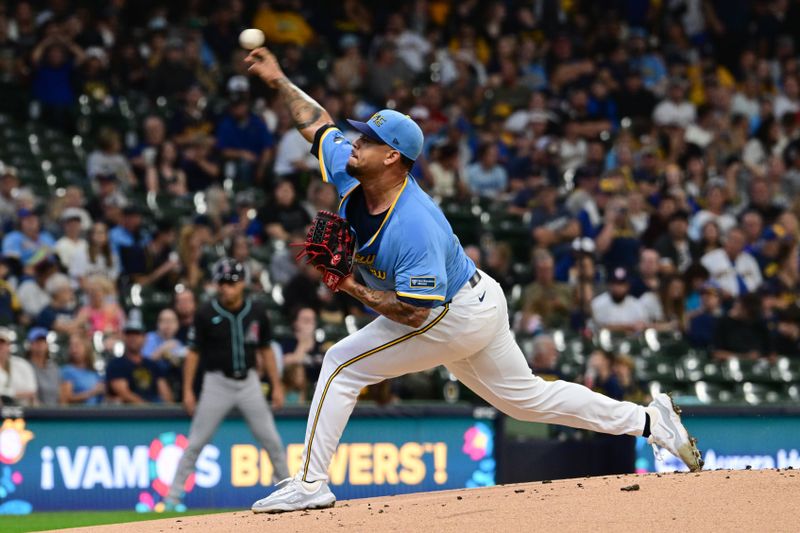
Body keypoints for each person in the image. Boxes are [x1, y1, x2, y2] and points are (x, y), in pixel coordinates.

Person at [246, 46, 702, 514]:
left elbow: (415, 311)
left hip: (450, 313)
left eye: (367, 140)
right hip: (477, 298)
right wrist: (278, 78)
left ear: (392, 158)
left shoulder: (414, 224)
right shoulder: (350, 168)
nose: (354, 142)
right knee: (528, 400)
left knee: (342, 364)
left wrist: (349, 286)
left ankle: (311, 482)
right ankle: (652, 422)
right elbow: (317, 122)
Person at [164, 259, 289, 510]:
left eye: (231, 282)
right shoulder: (206, 313)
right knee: (195, 443)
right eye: (221, 282)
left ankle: (288, 491)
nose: (225, 288)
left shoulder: (256, 311)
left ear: (242, 283)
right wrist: (188, 390)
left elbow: (266, 350)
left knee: (272, 441)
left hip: (250, 382)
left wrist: (276, 385)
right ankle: (171, 499)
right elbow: (193, 354)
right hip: (216, 383)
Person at [106, 319, 173, 404]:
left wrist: (166, 408)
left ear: (145, 338)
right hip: (129, 414)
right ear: (123, 337)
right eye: (129, 334)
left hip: (154, 412)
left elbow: (166, 394)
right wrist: (149, 409)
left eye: (137, 334)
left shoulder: (152, 365)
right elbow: (124, 393)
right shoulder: (116, 365)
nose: (133, 338)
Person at [60, 334, 104, 405]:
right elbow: (66, 399)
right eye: (71, 346)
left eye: (77, 346)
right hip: (78, 414)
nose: (73, 350)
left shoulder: (94, 373)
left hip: (95, 414)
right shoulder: (67, 371)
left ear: (86, 348)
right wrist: (92, 392)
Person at [0, 327, 37, 406]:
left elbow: (32, 392)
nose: (0, 347)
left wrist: (9, 394)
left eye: (2, 343)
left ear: (8, 346)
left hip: (25, 412)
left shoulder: (22, 365)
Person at [26, 327, 60, 405]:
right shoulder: (26, 366)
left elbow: (60, 394)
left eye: (43, 341)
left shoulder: (54, 367)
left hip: (55, 412)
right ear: (30, 344)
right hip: (35, 413)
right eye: (37, 341)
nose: (40, 344)